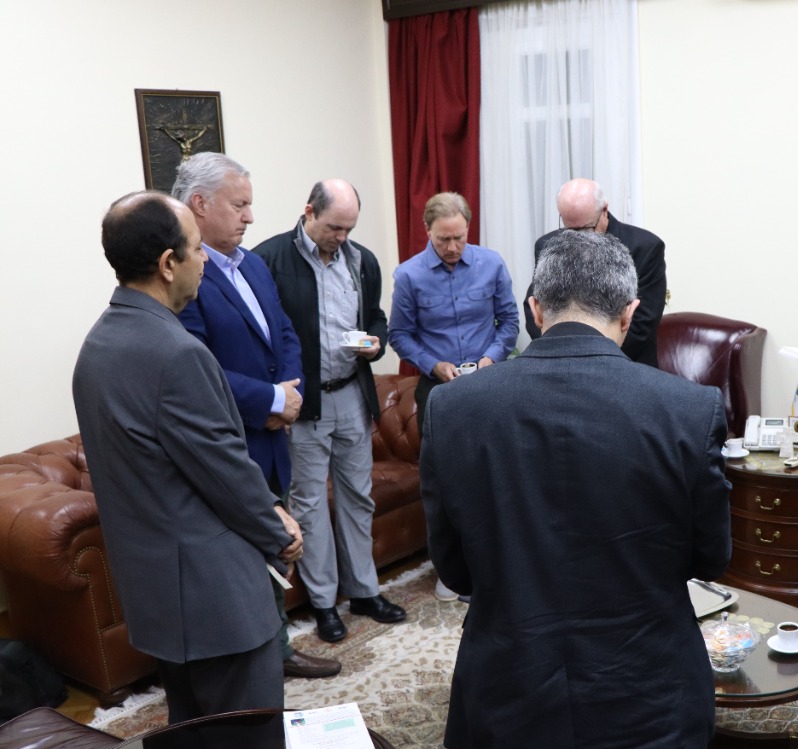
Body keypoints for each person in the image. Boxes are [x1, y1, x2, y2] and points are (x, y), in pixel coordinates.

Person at [420, 229, 732, 749]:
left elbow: (454, 570)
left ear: (535, 309)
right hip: (647, 682)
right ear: (629, 313)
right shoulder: (687, 409)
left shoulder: (455, 408)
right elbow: (710, 556)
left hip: (521, 678)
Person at [72, 191, 305, 724]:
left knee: (194, 740)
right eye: (198, 249)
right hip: (215, 597)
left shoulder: (97, 345)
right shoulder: (176, 352)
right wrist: (280, 531)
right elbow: (223, 469)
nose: (205, 261)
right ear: (167, 264)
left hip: (157, 593)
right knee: (247, 747)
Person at [172, 152, 340, 677]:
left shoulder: (253, 264)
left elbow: (285, 334)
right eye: (239, 205)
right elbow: (195, 366)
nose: (250, 217)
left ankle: (278, 651)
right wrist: (268, 401)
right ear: (200, 205)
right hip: (227, 444)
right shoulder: (182, 277)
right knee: (242, 564)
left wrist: (288, 396)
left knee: (274, 548)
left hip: (272, 439)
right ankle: (257, 662)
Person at [253, 179, 406, 643]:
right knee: (310, 504)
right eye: (334, 228)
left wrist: (376, 342)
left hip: (352, 394)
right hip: (305, 403)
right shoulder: (268, 260)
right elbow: (263, 335)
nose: (341, 238)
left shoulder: (362, 260)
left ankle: (364, 591)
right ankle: (324, 603)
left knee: (358, 495)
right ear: (309, 212)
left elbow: (375, 317)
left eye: (349, 229)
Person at [389, 191, 518, 601]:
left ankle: (497, 561)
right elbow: (399, 335)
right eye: (444, 239)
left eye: (459, 237)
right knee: (443, 479)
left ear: (468, 229)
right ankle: (450, 567)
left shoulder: (491, 263)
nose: (452, 247)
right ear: (427, 231)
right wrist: (433, 365)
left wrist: (490, 358)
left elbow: (509, 321)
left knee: (494, 472)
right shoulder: (408, 275)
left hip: (487, 380)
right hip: (439, 386)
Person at [522, 178, 667, 366]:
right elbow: (535, 308)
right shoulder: (547, 245)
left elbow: (642, 325)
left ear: (604, 210)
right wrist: (562, 352)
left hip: (626, 366)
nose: (578, 237)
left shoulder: (645, 247)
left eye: (586, 228)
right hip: (560, 363)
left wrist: (585, 355)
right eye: (570, 229)